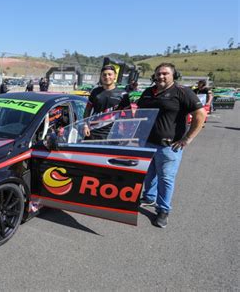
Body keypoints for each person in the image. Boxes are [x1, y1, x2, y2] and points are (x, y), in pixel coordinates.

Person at [137, 63, 206, 228]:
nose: (161, 76)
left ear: (173, 75)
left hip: (169, 147)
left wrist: (187, 139)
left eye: (165, 74)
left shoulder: (182, 92)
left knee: (165, 178)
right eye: (158, 74)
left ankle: (163, 210)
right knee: (148, 173)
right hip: (147, 142)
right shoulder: (148, 92)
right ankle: (149, 197)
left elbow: (200, 114)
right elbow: (139, 112)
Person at [83, 65, 130, 139]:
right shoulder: (95, 92)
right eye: (104, 75)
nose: (107, 77)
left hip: (113, 133)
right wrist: (85, 126)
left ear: (115, 76)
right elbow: (87, 110)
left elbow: (128, 115)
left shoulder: (123, 94)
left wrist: (127, 132)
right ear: (101, 77)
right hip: (93, 131)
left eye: (109, 74)